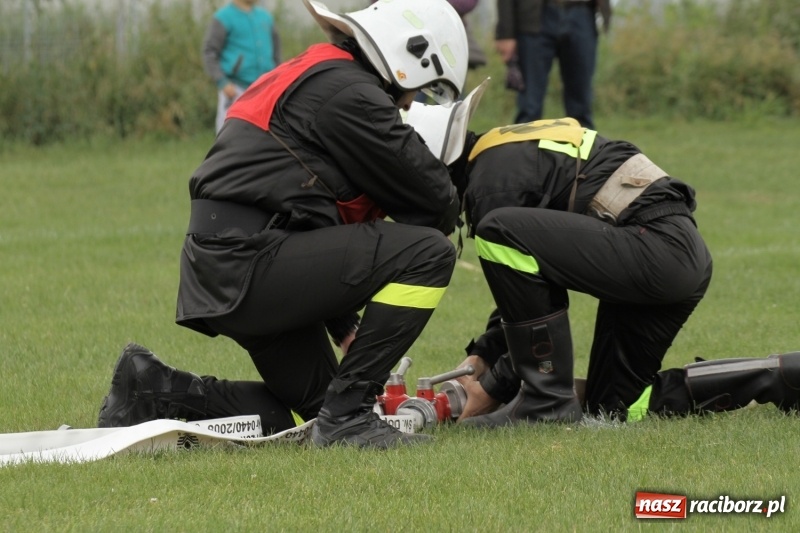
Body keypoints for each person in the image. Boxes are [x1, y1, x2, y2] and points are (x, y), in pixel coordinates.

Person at [97, 0, 473, 450]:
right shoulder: (350, 92)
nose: (410, 103)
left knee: (312, 413)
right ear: (411, 57)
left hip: (232, 258)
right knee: (429, 253)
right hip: (251, 261)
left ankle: (155, 389)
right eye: (420, 90)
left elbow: (304, 212)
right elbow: (436, 203)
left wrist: (344, 327)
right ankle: (350, 418)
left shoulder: (322, 73)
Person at [437, 117, 800, 425]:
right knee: (611, 408)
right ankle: (780, 375)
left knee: (498, 232)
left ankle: (543, 404)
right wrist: (484, 356)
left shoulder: (491, 185)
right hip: (670, 252)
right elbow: (525, 287)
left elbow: (530, 291)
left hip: (653, 251)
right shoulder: (500, 150)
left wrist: (492, 389)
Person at [495, 0, 612, 129]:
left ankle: (584, 148)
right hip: (533, 18)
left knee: (582, 108)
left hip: (583, 13)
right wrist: (505, 32)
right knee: (529, 108)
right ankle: (524, 148)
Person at [202, 0, 282, 133]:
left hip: (265, 90)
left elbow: (276, 53)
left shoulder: (266, 17)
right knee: (229, 138)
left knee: (262, 138)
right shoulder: (223, 17)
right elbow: (210, 52)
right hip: (235, 90)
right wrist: (223, 82)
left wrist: (278, 79)